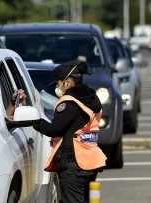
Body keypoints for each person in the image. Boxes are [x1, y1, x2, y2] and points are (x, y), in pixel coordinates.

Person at [32, 61, 107, 203]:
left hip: (73, 164)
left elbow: (54, 129)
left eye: (58, 83)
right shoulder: (91, 98)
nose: (57, 87)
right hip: (89, 161)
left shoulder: (70, 102)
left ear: (67, 82)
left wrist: (34, 122)